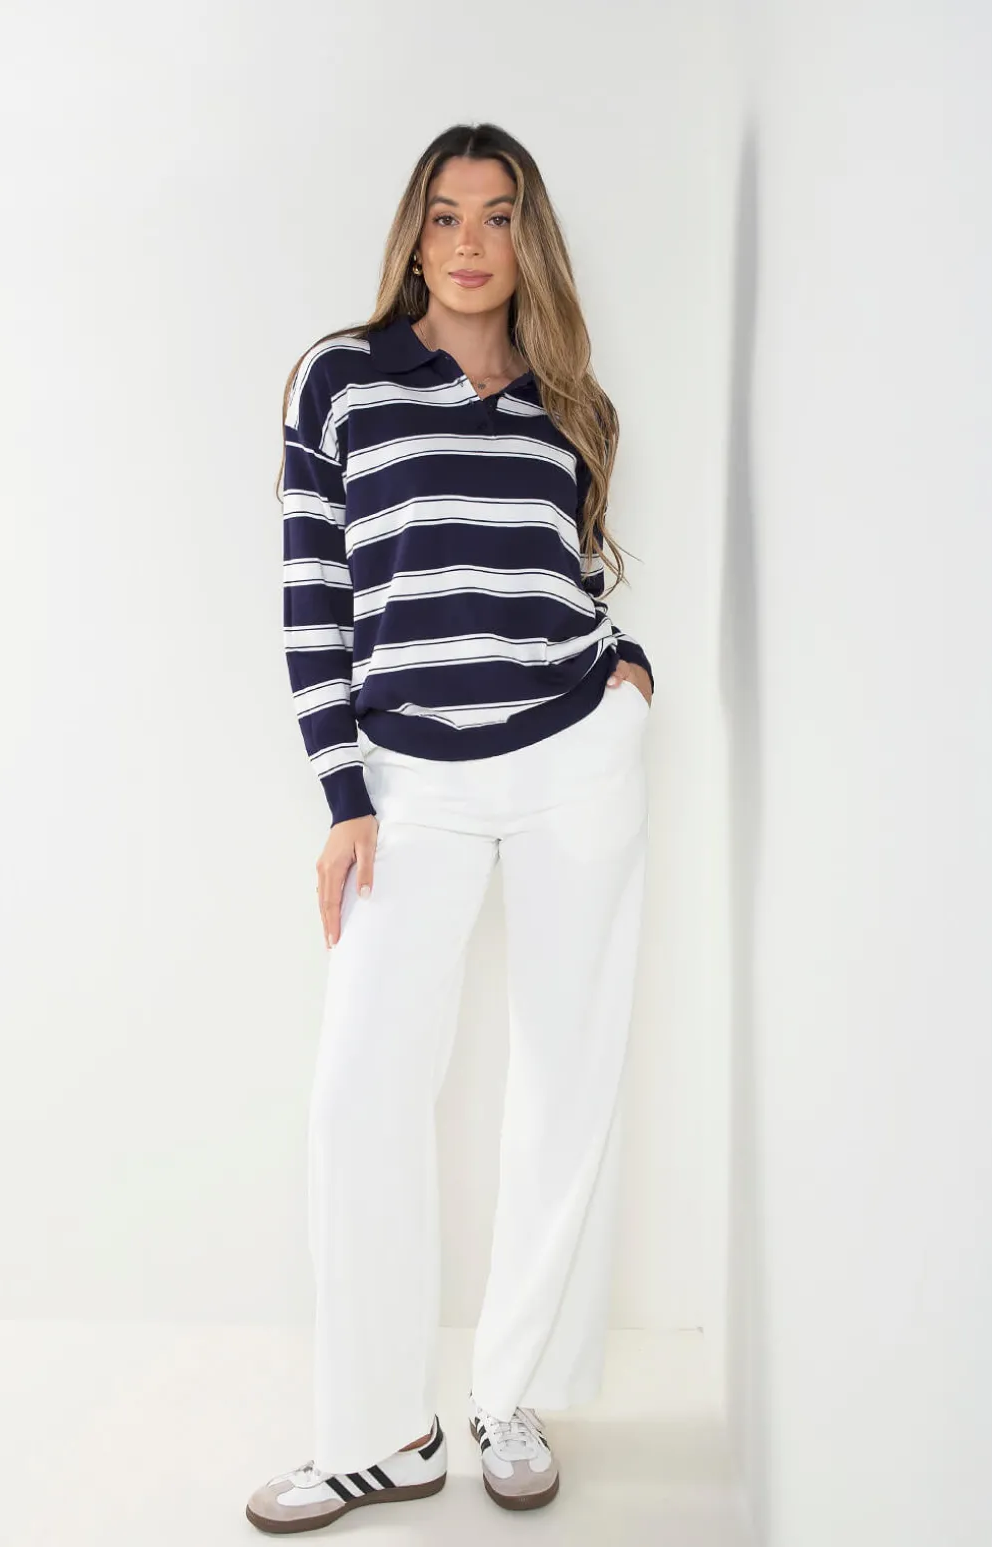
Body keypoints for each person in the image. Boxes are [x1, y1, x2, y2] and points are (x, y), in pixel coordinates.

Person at [246, 121, 655, 1535]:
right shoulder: (342, 379)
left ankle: (510, 1392)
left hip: (571, 756)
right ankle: (381, 1434)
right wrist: (341, 793)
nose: (470, 242)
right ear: (414, 238)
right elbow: (314, 593)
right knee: (362, 1091)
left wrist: (626, 672)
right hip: (409, 783)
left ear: (530, 241)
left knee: (567, 1073)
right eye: (445, 215)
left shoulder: (570, 401)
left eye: (497, 215)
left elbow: (565, 569)